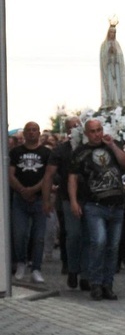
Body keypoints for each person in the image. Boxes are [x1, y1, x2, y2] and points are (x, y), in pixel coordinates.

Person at [68, 119, 125, 301]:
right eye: (93, 131)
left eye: (99, 130)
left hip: (117, 205)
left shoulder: (112, 146)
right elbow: (72, 178)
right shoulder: (80, 152)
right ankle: (95, 283)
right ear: (87, 133)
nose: (97, 134)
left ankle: (107, 285)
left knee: (113, 247)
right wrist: (73, 201)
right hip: (94, 205)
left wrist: (112, 144)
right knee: (98, 242)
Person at [43, 116, 91, 290]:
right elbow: (49, 174)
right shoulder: (61, 150)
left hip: (90, 198)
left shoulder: (90, 148)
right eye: (71, 127)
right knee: (74, 234)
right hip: (67, 197)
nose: (75, 129)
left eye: (78, 126)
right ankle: (72, 268)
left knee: (88, 236)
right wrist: (47, 199)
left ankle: (85, 275)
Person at [9, 121, 51, 283]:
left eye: (35, 130)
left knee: (39, 236)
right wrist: (22, 190)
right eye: (29, 130)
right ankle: (21, 262)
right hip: (20, 199)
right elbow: (10, 174)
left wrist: (34, 190)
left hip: (40, 199)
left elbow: (47, 176)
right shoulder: (15, 152)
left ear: (39, 133)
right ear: (24, 133)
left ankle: (36, 268)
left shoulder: (46, 153)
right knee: (19, 234)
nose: (32, 133)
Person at [100, 18, 125, 108]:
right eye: (111, 32)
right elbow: (103, 58)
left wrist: (116, 53)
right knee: (110, 85)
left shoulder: (117, 44)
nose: (112, 34)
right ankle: (111, 102)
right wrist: (109, 53)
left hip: (117, 68)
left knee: (118, 86)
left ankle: (121, 102)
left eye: (114, 33)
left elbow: (121, 58)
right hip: (109, 69)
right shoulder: (104, 45)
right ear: (108, 33)